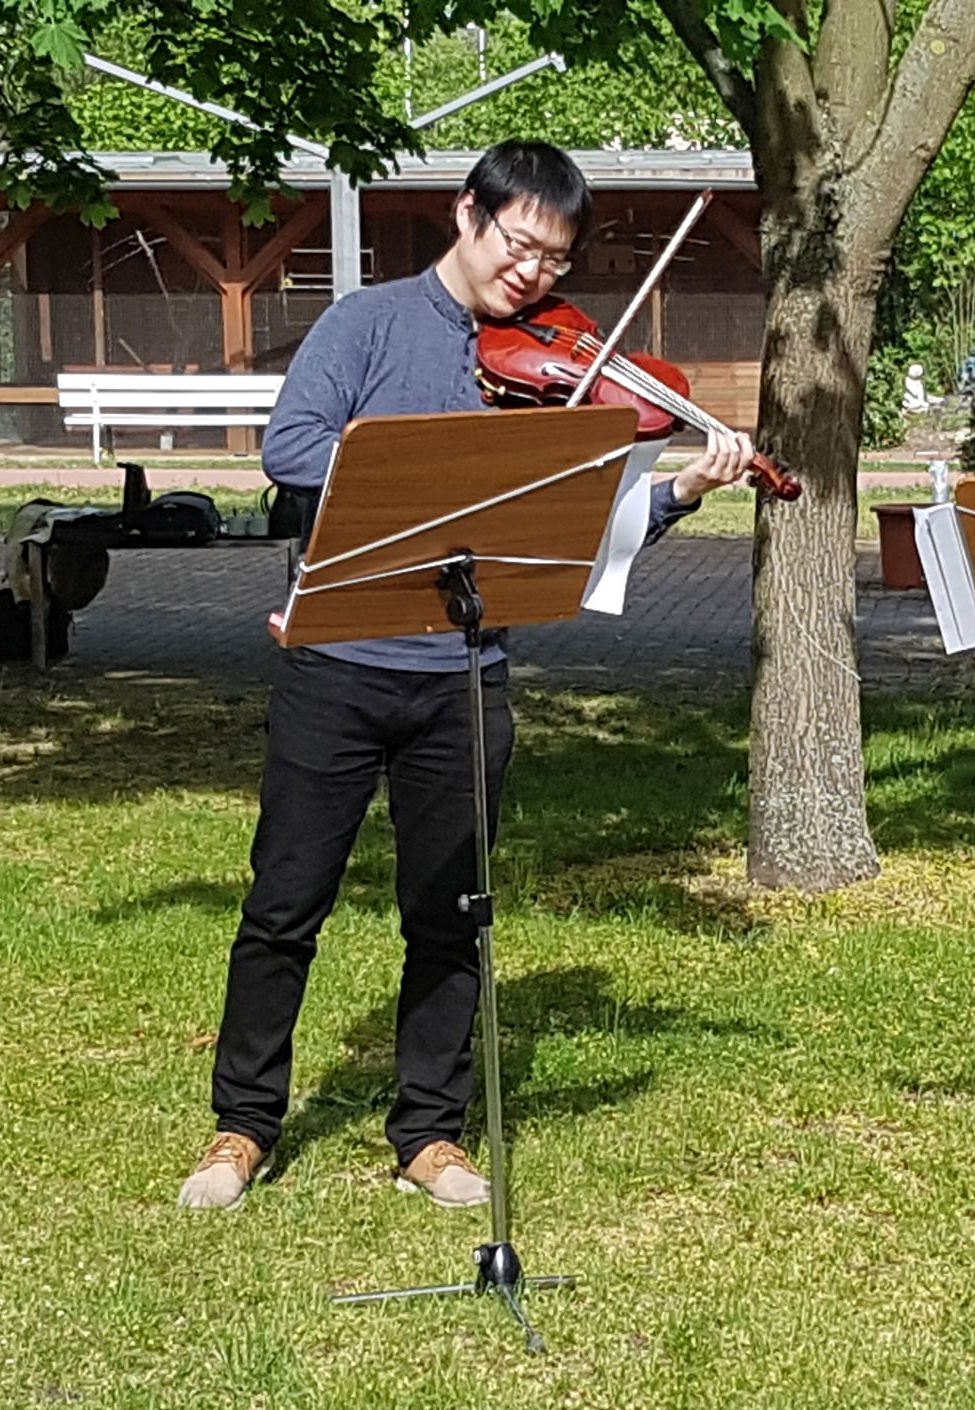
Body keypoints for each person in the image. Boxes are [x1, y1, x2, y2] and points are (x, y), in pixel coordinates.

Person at [180, 139, 755, 1211]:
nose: (534, 277)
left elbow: (580, 539)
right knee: (283, 905)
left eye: (555, 261)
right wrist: (429, 462)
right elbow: (290, 447)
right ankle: (243, 1124)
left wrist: (676, 490)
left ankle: (429, 1133)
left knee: (452, 912)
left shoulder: (563, 371)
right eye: (520, 246)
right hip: (338, 662)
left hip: (465, 672)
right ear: (468, 215)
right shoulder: (367, 323)